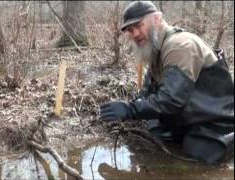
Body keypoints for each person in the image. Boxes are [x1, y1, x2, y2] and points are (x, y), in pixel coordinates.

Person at [99, 1, 234, 164]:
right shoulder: (157, 49)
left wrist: (130, 110)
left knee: (196, 160)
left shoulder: (179, 45)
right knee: (152, 137)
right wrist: (127, 106)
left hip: (214, 122)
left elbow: (171, 99)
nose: (135, 34)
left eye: (139, 26)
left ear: (157, 19)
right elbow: (149, 91)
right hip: (187, 118)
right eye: (130, 30)